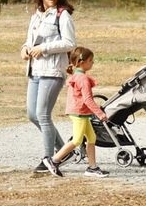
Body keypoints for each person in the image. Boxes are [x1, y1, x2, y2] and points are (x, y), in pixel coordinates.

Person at [21, 0, 76, 174]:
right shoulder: (36, 16)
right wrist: (25, 49)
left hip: (52, 71)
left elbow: (70, 43)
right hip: (35, 70)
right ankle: (64, 151)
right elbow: (29, 41)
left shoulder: (63, 16)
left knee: (43, 115)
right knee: (32, 115)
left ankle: (48, 160)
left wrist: (43, 48)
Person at [44, 47, 110, 177]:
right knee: (77, 140)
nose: (92, 63)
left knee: (92, 138)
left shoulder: (78, 76)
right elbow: (88, 99)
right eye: (90, 60)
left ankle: (92, 167)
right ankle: (53, 160)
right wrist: (100, 114)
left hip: (82, 113)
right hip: (79, 113)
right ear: (81, 62)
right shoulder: (83, 79)